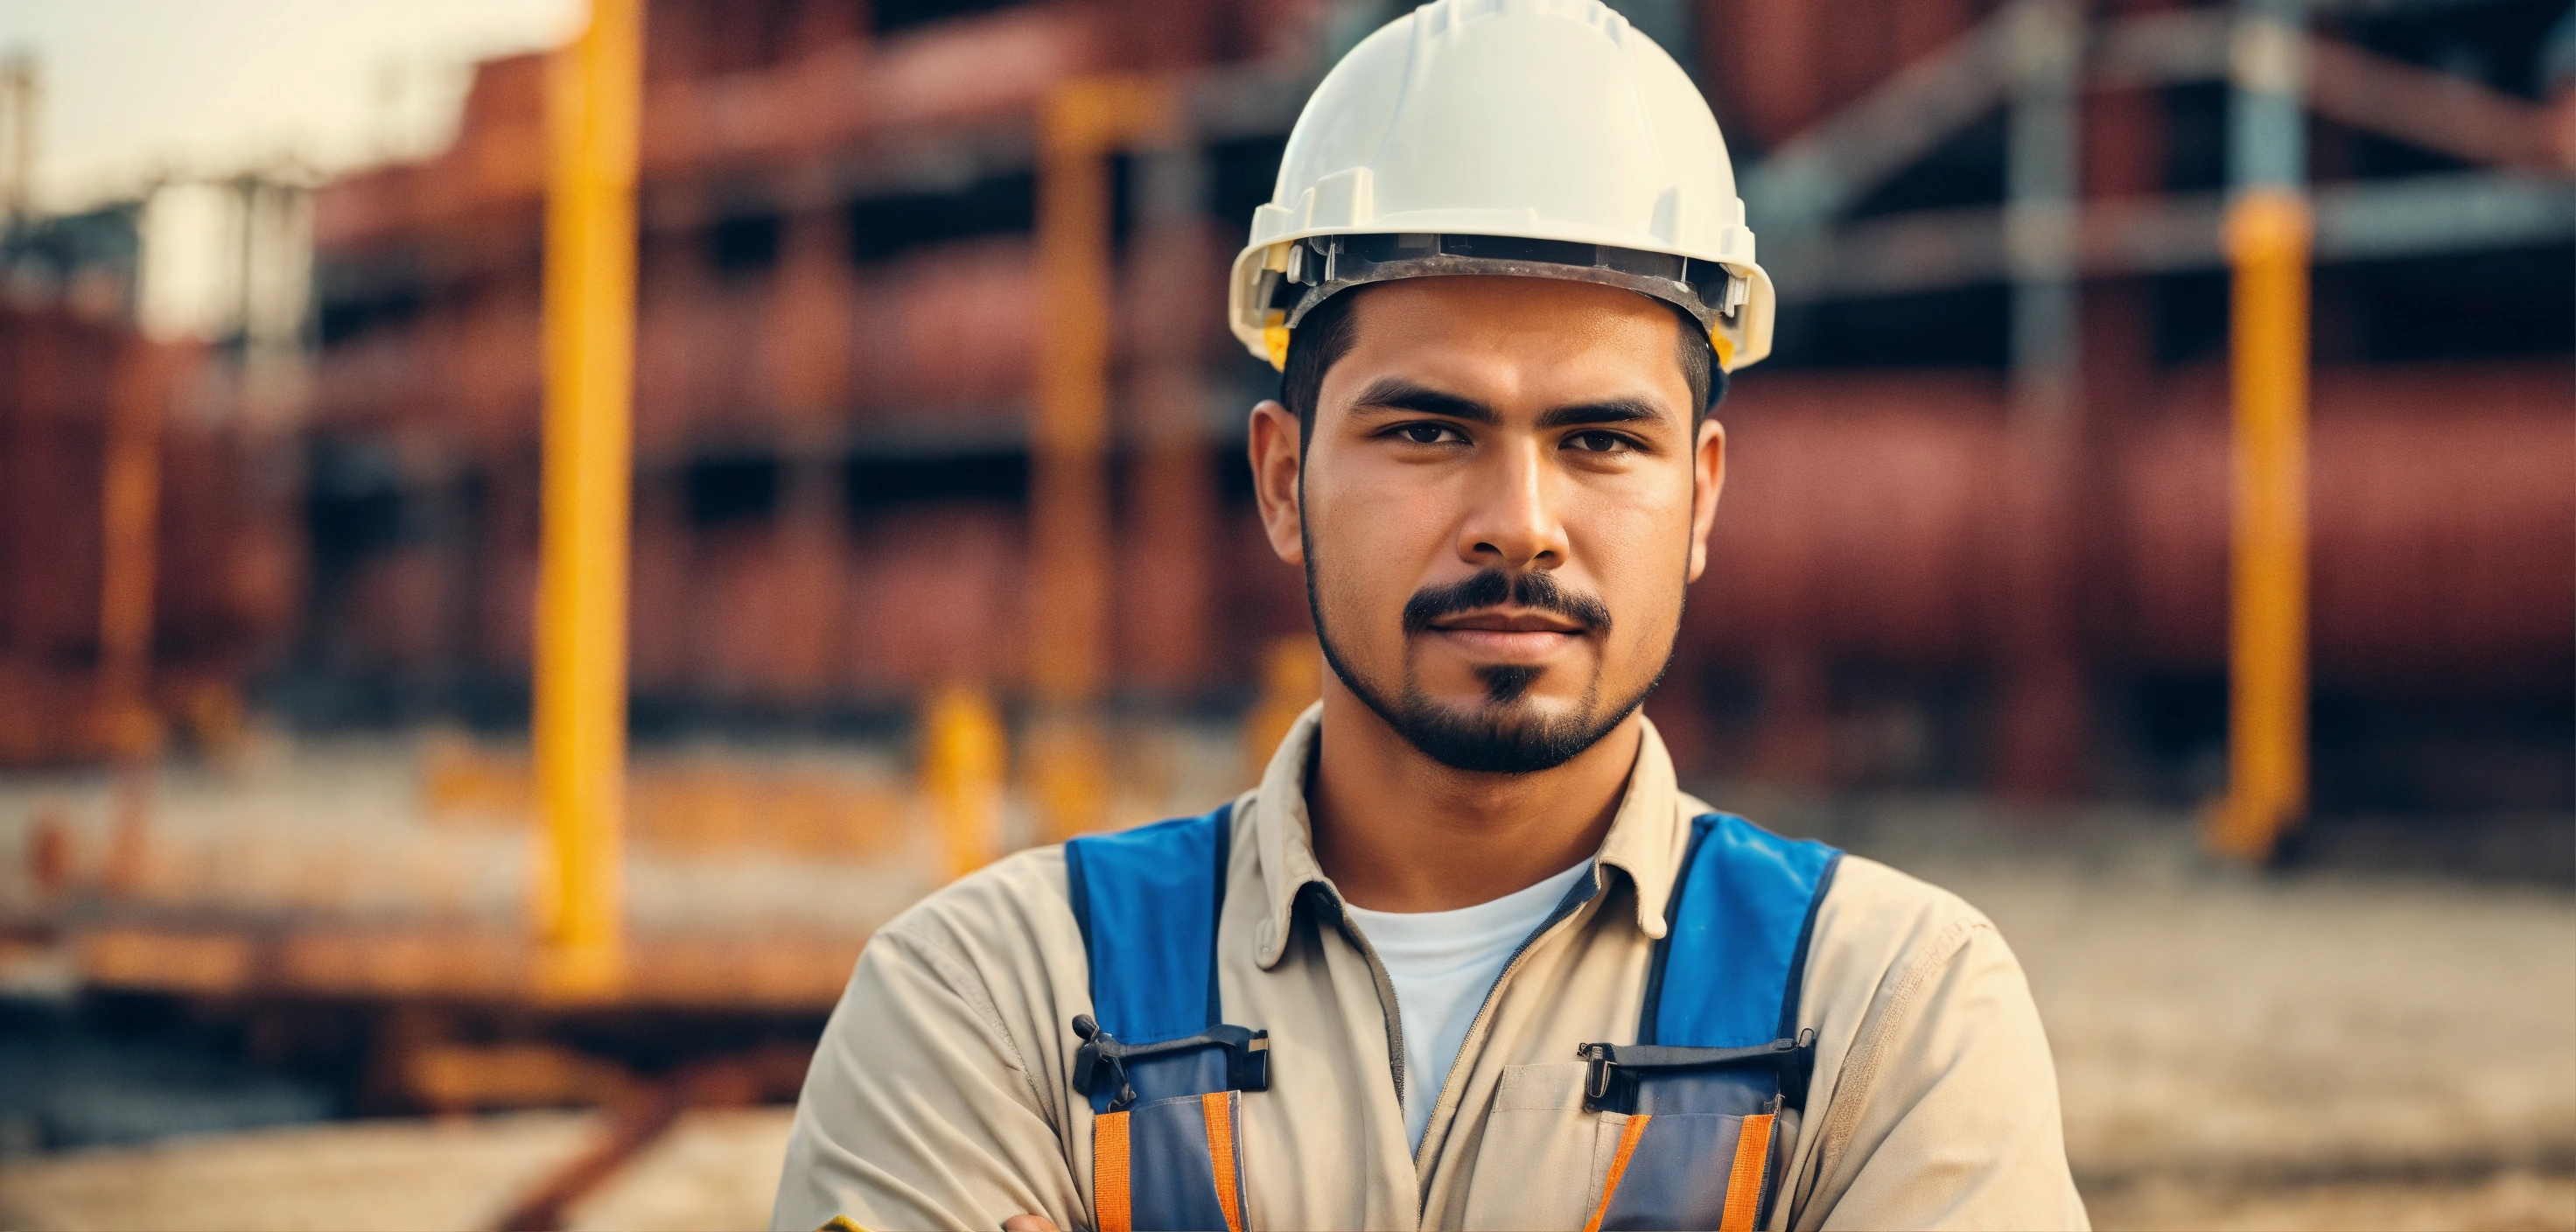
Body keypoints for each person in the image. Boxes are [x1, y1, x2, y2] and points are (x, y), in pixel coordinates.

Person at [774, 3, 2087, 1228]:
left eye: (1599, 440)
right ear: (1285, 482)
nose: (1519, 519)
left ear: (1699, 499)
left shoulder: (1887, 1013)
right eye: (1427, 429)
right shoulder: (996, 997)